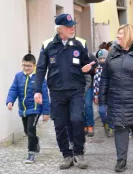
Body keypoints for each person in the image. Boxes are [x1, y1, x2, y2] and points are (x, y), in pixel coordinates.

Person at [34, 14, 94, 170]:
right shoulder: (48, 45)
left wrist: (89, 68)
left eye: (73, 25)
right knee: (60, 124)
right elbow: (41, 68)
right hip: (57, 91)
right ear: (59, 29)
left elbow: (88, 64)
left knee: (77, 120)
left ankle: (79, 153)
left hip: (76, 90)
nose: (72, 28)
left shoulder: (80, 43)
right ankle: (66, 155)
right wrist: (37, 90)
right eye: (69, 26)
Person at [99, 24, 133, 172]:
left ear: (129, 35)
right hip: (116, 99)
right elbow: (105, 77)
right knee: (120, 128)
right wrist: (102, 98)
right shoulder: (112, 53)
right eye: (117, 35)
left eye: (120, 35)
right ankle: (121, 160)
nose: (117, 37)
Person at [6, 54, 50, 164]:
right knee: (27, 131)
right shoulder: (18, 76)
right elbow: (13, 90)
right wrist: (10, 101)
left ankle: (31, 154)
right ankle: (36, 141)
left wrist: (46, 112)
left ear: (34, 66)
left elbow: (45, 95)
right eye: (24, 65)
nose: (26, 68)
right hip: (23, 109)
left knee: (30, 130)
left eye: (29, 66)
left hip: (35, 109)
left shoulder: (39, 79)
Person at [93, 49, 114, 137]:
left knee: (110, 112)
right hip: (100, 95)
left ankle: (111, 127)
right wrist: (95, 95)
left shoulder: (111, 67)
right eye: (100, 59)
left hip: (110, 95)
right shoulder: (97, 69)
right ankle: (105, 123)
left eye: (103, 58)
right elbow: (95, 83)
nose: (101, 60)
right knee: (101, 111)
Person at [84, 52, 97, 137]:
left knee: (88, 105)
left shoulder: (89, 55)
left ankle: (90, 125)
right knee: (80, 106)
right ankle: (84, 124)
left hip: (89, 84)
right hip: (77, 84)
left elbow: (96, 69)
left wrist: (88, 69)